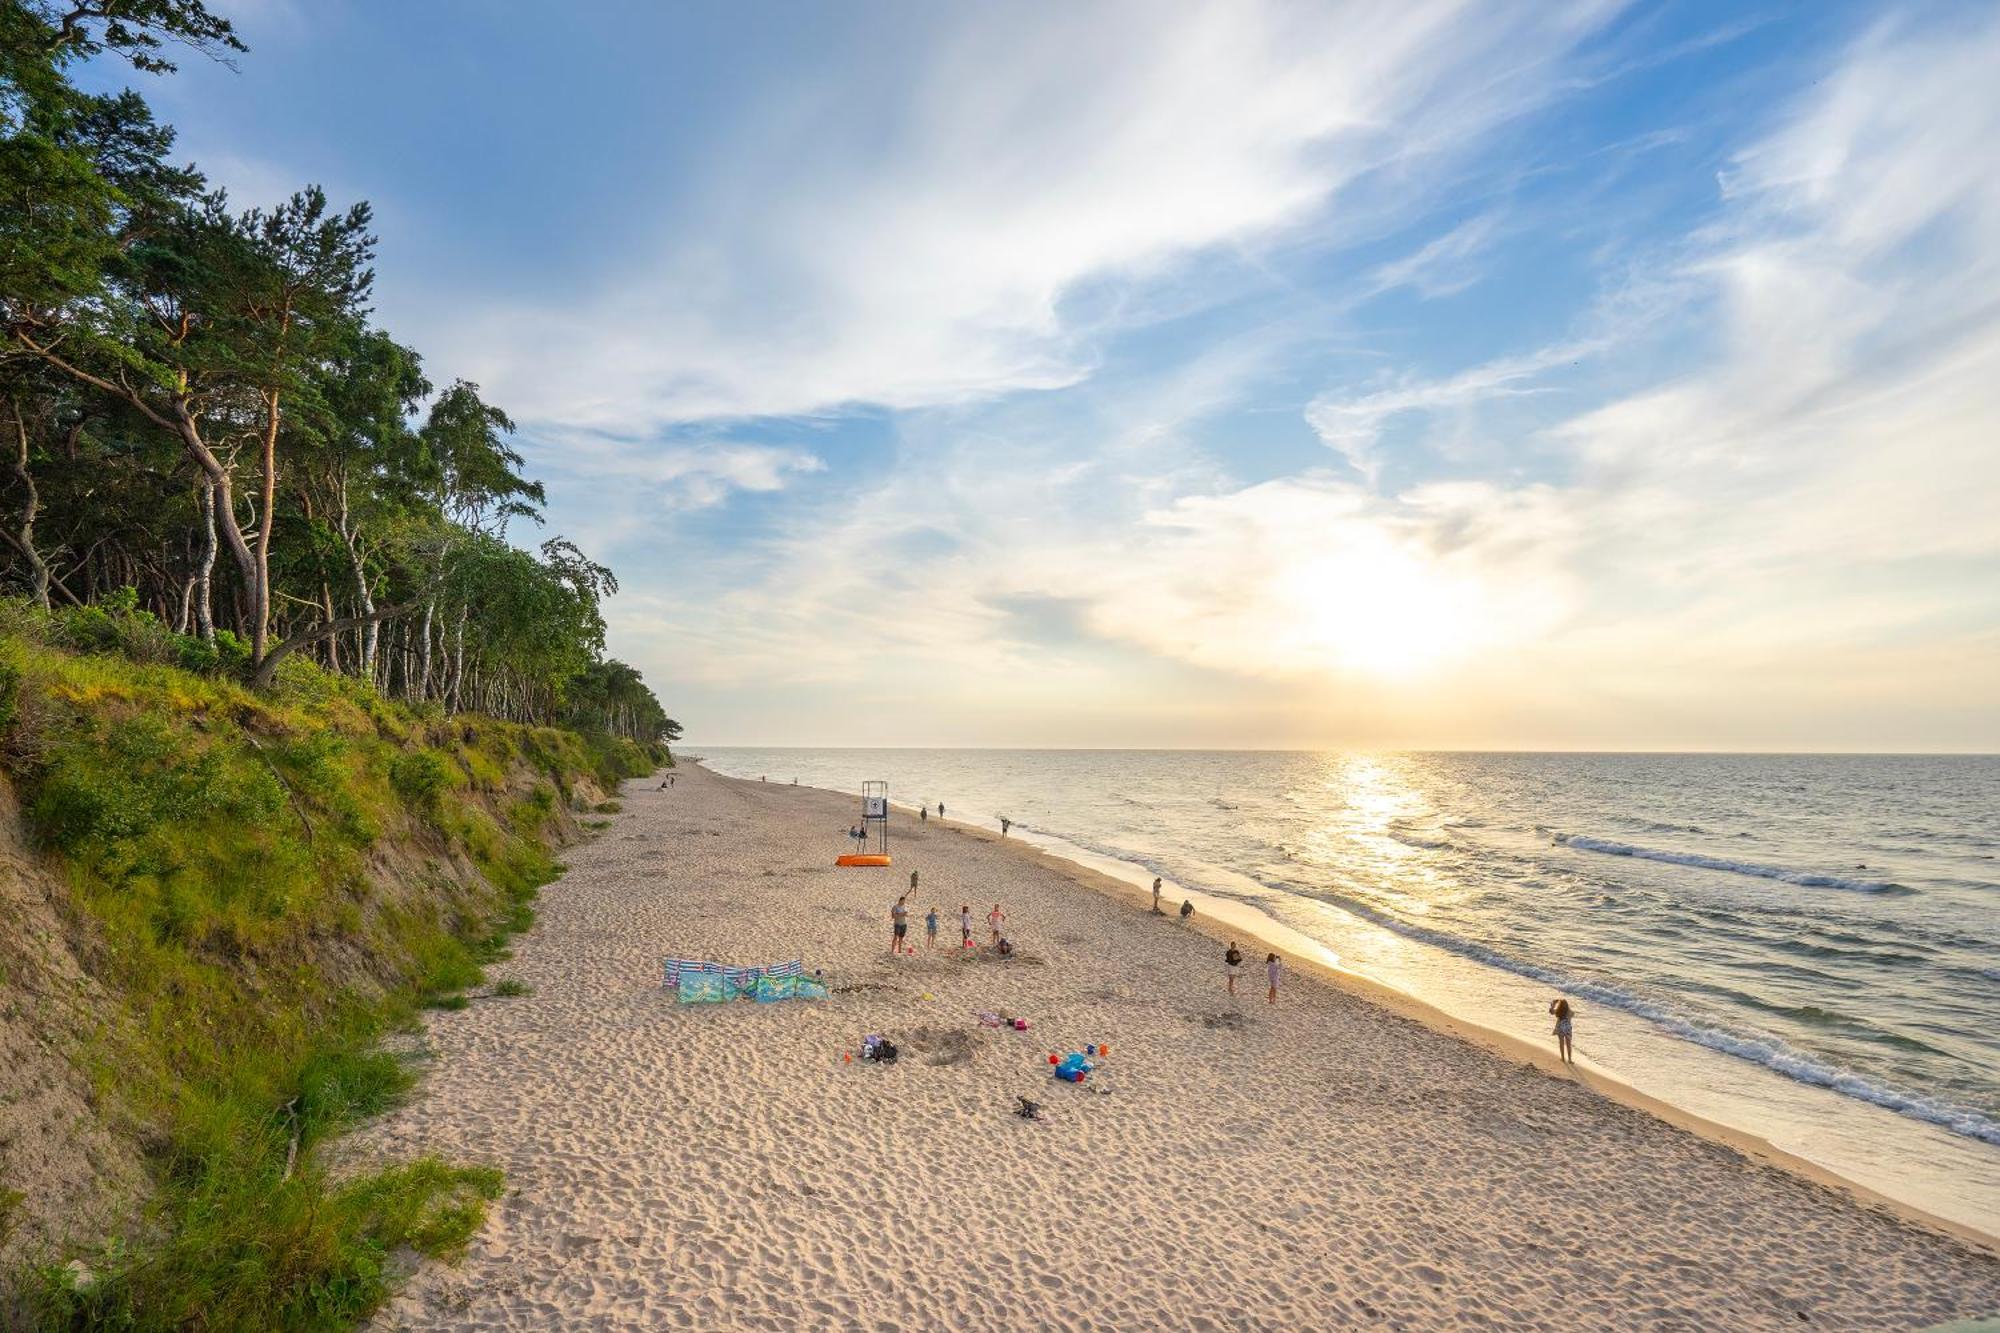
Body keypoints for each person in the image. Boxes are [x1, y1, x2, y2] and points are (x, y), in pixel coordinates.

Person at [1549, 998, 1574, 1064]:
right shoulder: (1570, 1012)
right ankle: (1569, 1059)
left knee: (1561, 1043)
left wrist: (1553, 1004)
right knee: (1568, 1044)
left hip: (1560, 1028)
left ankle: (1563, 1058)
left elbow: (1551, 1011)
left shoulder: (1558, 1011)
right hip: (1568, 1029)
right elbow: (1572, 1014)